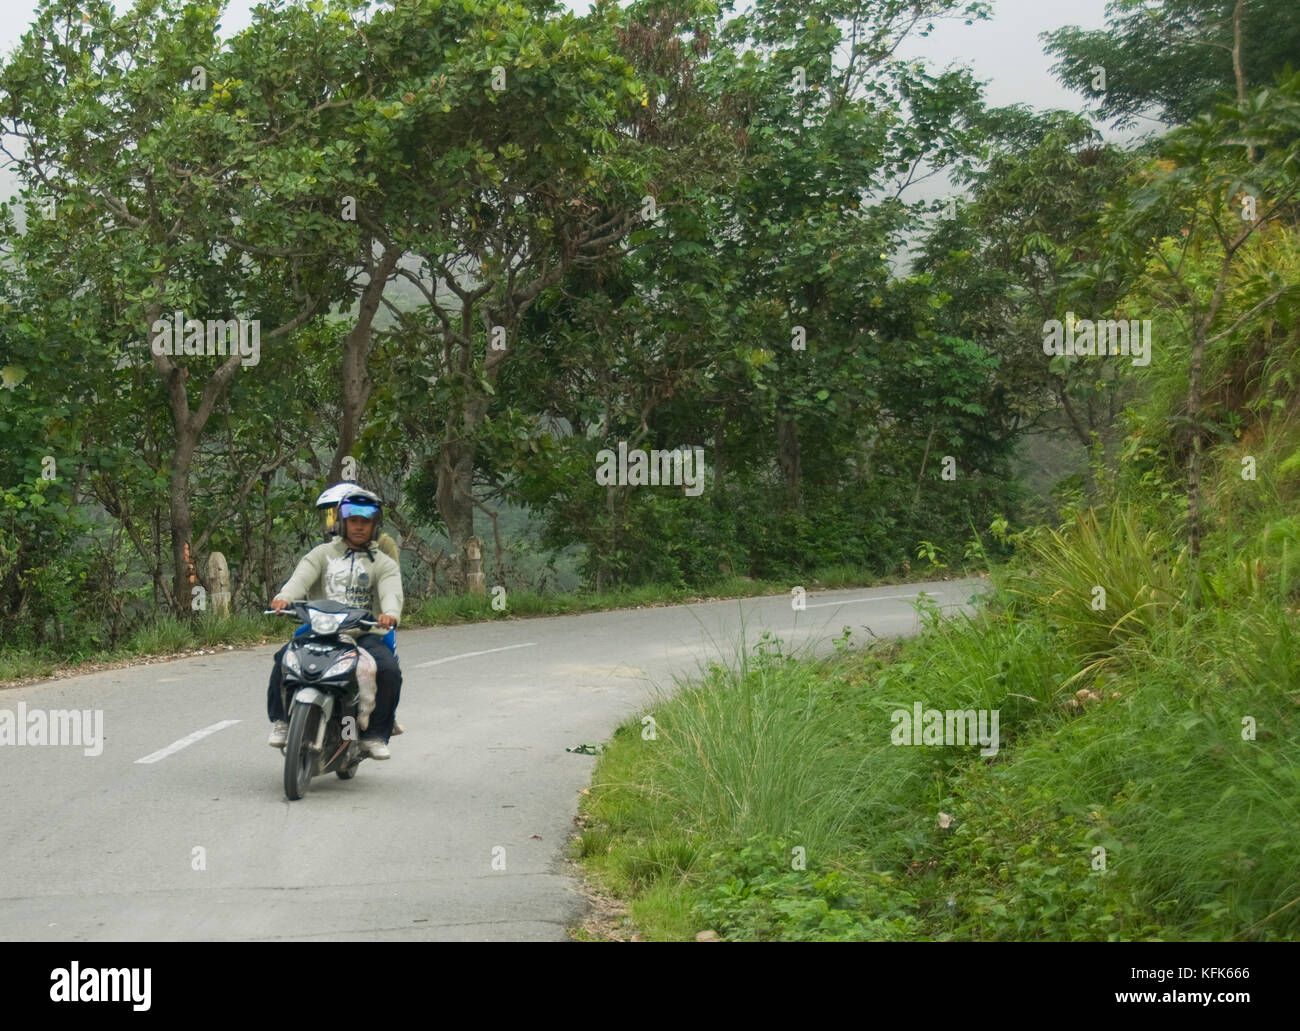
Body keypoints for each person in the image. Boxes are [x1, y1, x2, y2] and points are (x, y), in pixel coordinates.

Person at [266, 486, 404, 759]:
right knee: (283, 659)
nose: (359, 527)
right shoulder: (322, 554)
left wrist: (389, 613)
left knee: (389, 671)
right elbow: (300, 578)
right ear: (342, 523)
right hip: (319, 628)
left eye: (365, 522)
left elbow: (391, 592)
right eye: (353, 521)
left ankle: (374, 734)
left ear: (374, 525)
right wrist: (284, 598)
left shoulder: (384, 564)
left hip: (364, 633)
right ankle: (282, 721)